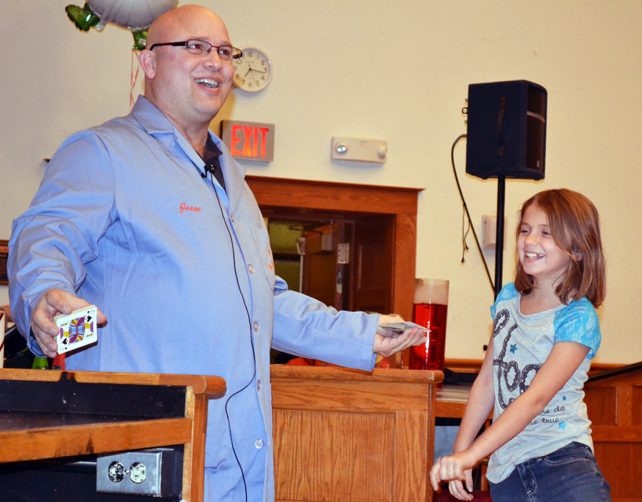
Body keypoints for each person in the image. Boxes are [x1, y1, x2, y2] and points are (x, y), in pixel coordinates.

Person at [8, 5, 425, 502]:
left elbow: (261, 302)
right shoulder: (103, 152)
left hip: (239, 461)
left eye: (225, 51)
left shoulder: (233, 177)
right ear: (148, 63)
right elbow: (47, 236)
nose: (216, 62)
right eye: (195, 47)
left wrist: (361, 333)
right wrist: (42, 294)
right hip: (146, 453)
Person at [429, 189, 611, 502]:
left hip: (562, 463)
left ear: (578, 250)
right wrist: (460, 451)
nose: (529, 241)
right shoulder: (509, 298)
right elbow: (487, 382)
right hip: (506, 470)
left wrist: (473, 454)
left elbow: (535, 399)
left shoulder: (578, 316)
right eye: (525, 230)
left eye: (546, 233)